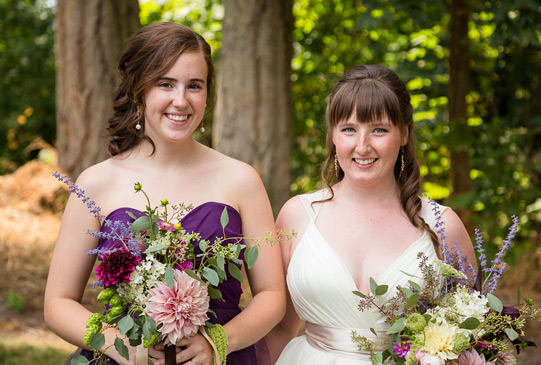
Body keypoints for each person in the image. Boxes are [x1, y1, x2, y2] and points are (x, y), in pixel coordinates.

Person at [44, 22, 287, 364]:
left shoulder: (242, 180)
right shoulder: (96, 183)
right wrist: (120, 345)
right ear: (139, 90)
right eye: (165, 83)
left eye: (195, 86)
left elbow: (273, 296)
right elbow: (58, 302)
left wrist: (218, 343)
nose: (181, 100)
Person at [264, 65, 477, 364]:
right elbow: (279, 329)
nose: (362, 146)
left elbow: (474, 336)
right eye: (349, 129)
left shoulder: (444, 226)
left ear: (404, 133)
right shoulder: (296, 216)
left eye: (379, 129)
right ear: (333, 136)